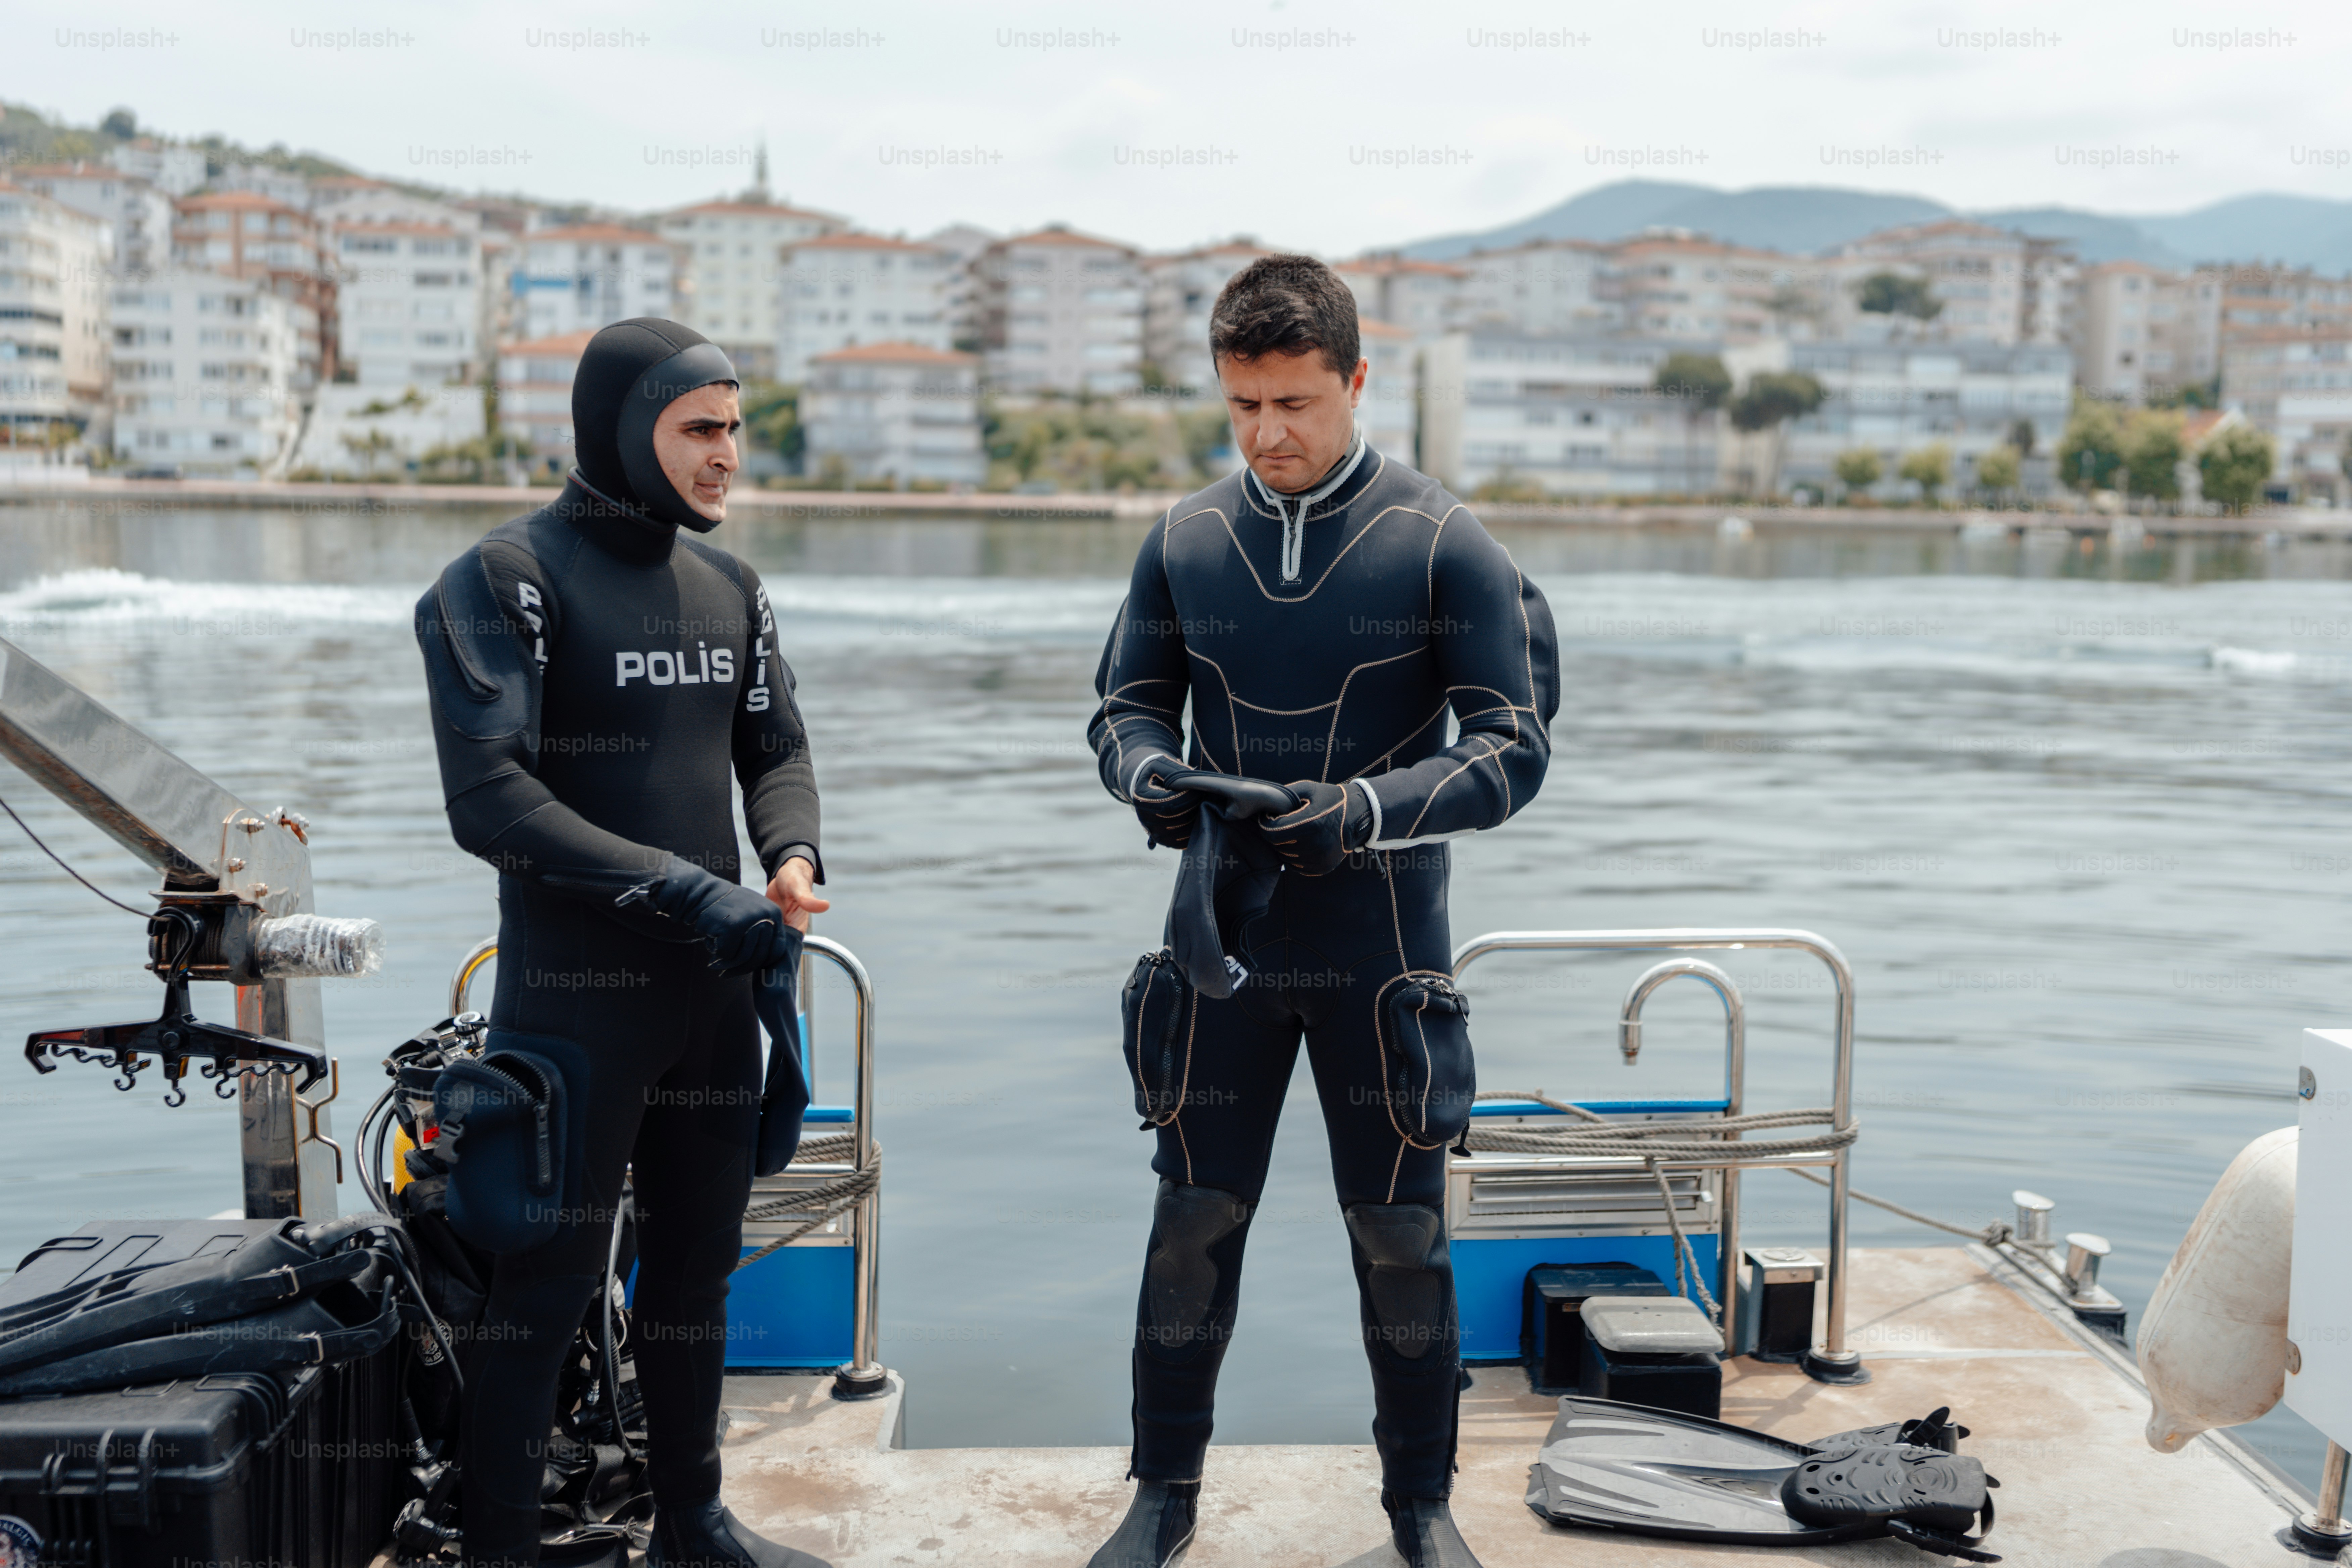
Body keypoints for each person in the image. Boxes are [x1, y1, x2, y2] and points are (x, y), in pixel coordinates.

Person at [1084, 256, 1561, 1568]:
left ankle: (1420, 1508)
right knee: (1190, 1219)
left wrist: (1360, 809)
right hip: (1222, 942)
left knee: (1401, 1233)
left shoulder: (1442, 539)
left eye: (1296, 401)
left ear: (1357, 381)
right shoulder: (1186, 538)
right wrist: (1148, 774)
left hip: (1384, 950)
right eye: (1243, 404)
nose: (1269, 433)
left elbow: (1511, 747)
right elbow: (1125, 707)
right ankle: (1163, 1492)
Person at [414, 318, 832, 1568]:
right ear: (620, 427)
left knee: (696, 1286)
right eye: (700, 429)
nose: (727, 457)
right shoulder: (505, 579)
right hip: (574, 1009)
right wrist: (683, 892)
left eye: (736, 430)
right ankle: (499, 1550)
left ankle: (693, 1528)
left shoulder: (731, 590)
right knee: (540, 1297)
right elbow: (492, 803)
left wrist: (790, 861)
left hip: (714, 995)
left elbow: (777, 751)